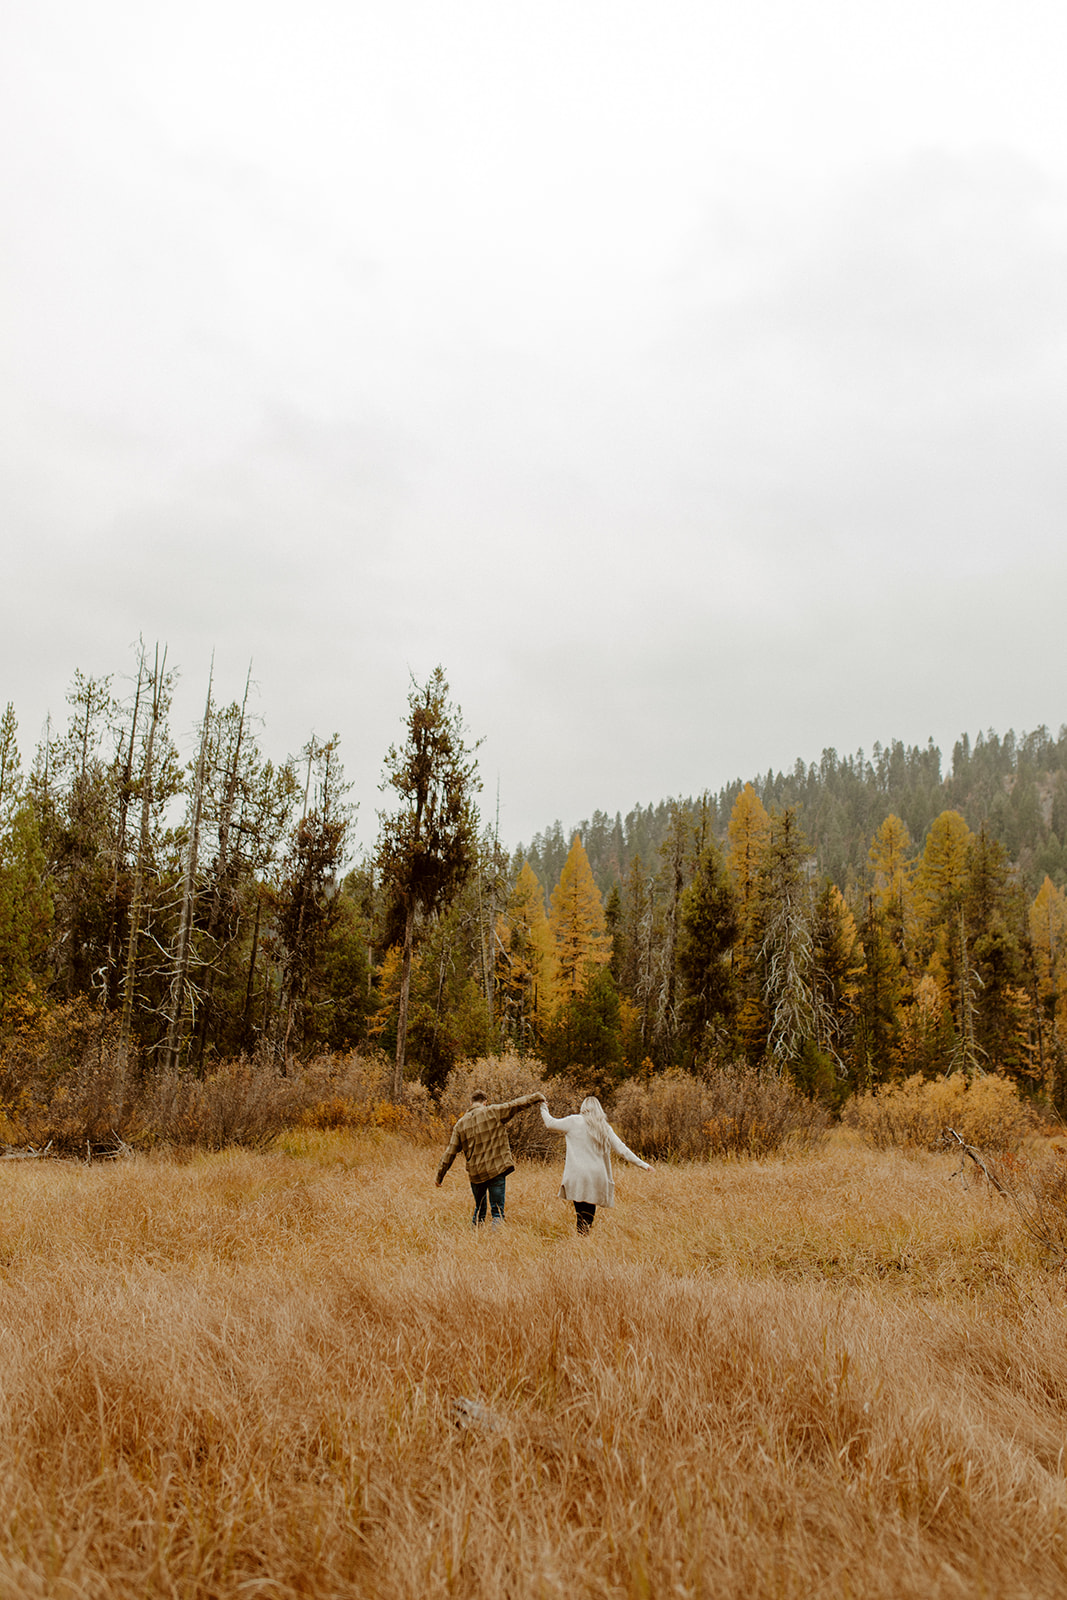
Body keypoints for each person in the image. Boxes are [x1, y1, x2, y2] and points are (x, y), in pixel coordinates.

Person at [436, 1088, 546, 1227]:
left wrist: (439, 1176)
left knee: (479, 1210)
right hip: (496, 1170)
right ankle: (496, 1238)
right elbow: (516, 1104)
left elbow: (450, 1153)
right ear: (485, 1102)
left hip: (476, 1175)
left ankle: (475, 1237)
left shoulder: (460, 1124)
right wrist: (536, 1097)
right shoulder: (493, 1112)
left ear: (470, 1102)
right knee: (497, 1214)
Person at [539, 1095, 650, 1233]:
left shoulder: (573, 1121)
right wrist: (644, 1165)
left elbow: (550, 1123)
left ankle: (581, 1237)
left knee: (580, 1213)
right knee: (589, 1214)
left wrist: (543, 1107)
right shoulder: (603, 1127)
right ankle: (584, 1236)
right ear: (599, 1109)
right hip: (597, 1176)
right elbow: (622, 1149)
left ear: (583, 1108)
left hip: (578, 1174)